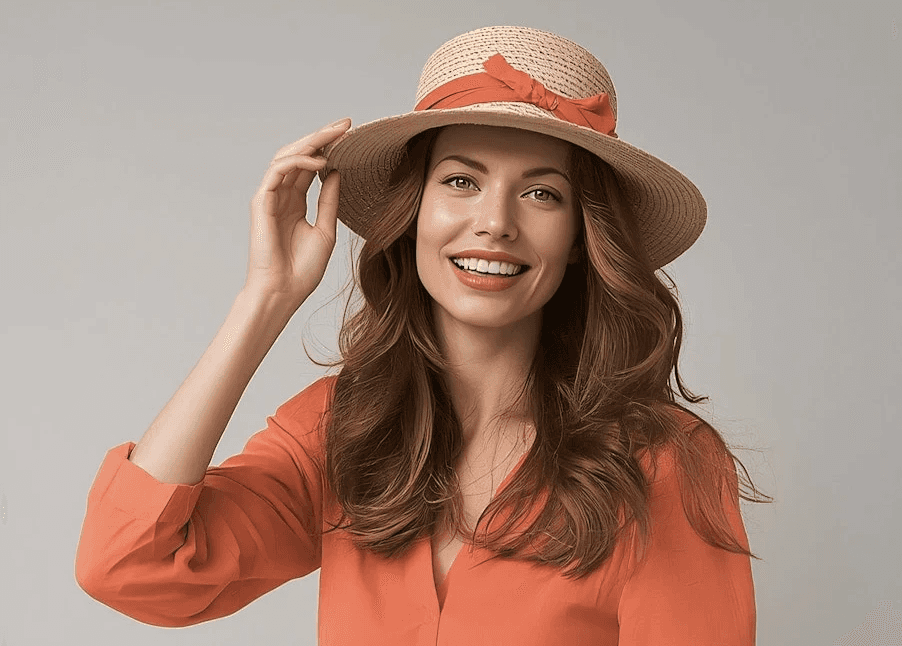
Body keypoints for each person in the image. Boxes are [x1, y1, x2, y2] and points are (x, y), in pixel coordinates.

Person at [75, 25, 769, 645]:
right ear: (413, 214)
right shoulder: (340, 430)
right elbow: (130, 565)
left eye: (541, 192)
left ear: (583, 237)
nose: (495, 222)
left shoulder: (665, 464)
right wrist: (266, 301)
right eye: (462, 180)